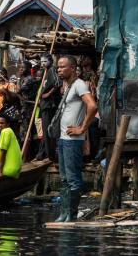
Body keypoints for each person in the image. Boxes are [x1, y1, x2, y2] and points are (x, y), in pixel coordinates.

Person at [54, 55, 97, 222]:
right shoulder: (68, 86)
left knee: (72, 180)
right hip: (63, 139)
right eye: (58, 67)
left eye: (62, 67)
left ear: (72, 68)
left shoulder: (79, 84)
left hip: (73, 141)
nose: (59, 70)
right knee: (64, 179)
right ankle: (64, 214)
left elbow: (92, 106)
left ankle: (71, 215)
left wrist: (82, 128)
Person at [36, 54, 60, 161]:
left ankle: (50, 156)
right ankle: (44, 154)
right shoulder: (45, 72)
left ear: (50, 61)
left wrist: (48, 94)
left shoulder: (52, 70)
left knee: (47, 131)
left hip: (49, 105)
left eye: (45, 61)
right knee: (44, 131)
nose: (43, 64)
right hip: (44, 105)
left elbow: (57, 83)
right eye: (41, 62)